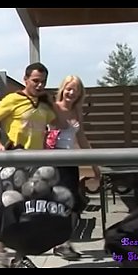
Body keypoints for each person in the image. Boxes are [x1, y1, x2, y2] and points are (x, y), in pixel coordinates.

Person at [0, 62, 56, 268]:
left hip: (37, 165)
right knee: (9, 207)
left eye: (43, 82)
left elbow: (59, 124)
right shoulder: (14, 100)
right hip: (14, 162)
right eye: (35, 81)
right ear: (25, 80)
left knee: (30, 213)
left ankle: (18, 256)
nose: (39, 85)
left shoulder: (44, 105)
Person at [48, 75, 100, 260]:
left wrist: (94, 164)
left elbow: (82, 138)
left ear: (79, 93)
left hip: (71, 161)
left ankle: (62, 241)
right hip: (55, 160)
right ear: (62, 89)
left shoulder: (77, 112)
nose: (71, 92)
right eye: (69, 88)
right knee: (62, 201)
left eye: (75, 89)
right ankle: (61, 243)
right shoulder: (53, 108)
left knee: (74, 203)